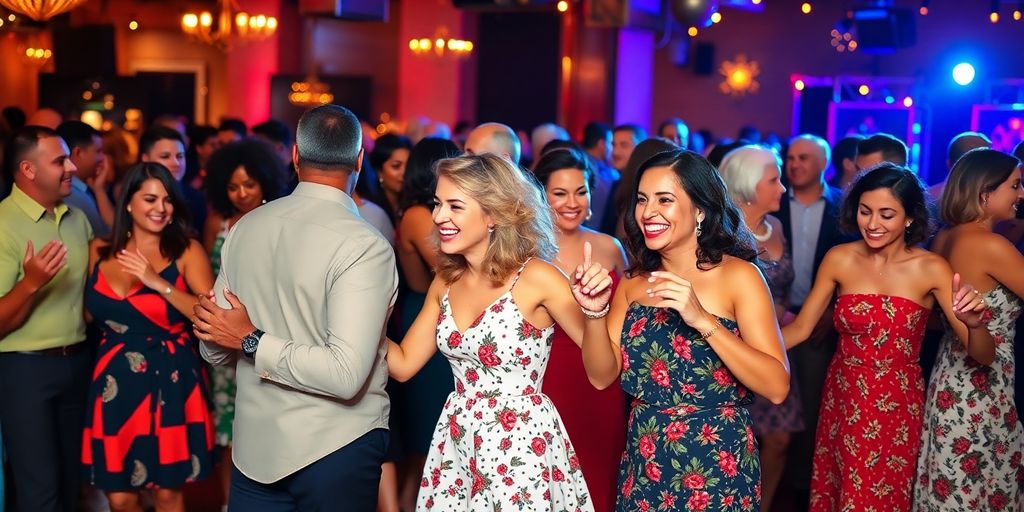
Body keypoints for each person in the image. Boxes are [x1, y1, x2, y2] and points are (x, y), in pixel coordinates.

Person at [193, 104, 398, 510]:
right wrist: (250, 339)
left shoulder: (246, 227)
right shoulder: (364, 245)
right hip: (334, 445)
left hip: (258, 446)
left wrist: (248, 339)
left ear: (295, 156)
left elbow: (214, 348)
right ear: (359, 160)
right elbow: (346, 376)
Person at [385, 153, 610, 511]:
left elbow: (603, 374)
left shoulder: (537, 277)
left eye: (455, 206)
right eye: (438, 203)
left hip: (520, 445)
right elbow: (403, 364)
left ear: (492, 215)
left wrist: (595, 312)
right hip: (458, 444)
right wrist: (356, 317)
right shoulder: (446, 281)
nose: (438, 216)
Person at [580, 149, 791, 510]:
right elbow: (601, 377)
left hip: (717, 463)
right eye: (642, 199)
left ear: (700, 210)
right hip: (646, 461)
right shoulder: (633, 283)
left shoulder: (739, 277)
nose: (648, 212)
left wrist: (702, 319)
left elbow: (776, 386)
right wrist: (594, 312)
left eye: (664, 200)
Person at [781, 163, 993, 511]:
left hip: (896, 403)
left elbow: (983, 355)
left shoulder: (932, 268)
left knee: (878, 497)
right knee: (840, 491)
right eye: (865, 211)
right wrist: (741, 349)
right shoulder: (839, 259)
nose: (872, 223)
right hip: (843, 396)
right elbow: (801, 329)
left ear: (909, 218)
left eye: (887, 214)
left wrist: (974, 325)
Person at [83, 162, 215, 512]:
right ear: (128, 202)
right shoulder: (98, 250)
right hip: (114, 383)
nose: (161, 208)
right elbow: (84, 314)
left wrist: (157, 282)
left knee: (168, 494)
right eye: (150, 199)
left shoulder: (187, 250)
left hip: (169, 377)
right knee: (120, 498)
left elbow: (209, 314)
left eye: (168, 200)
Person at [915, 148, 1024, 511]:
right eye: (1015, 185)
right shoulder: (989, 245)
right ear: (985, 193)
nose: (1021, 193)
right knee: (982, 489)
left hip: (949, 375)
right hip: (982, 386)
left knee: (956, 488)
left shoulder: (946, 237)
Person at [0, 126, 93, 512]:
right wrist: (31, 283)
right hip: (24, 369)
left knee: (73, 483)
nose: (72, 167)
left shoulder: (77, 219)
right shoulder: (3, 225)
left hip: (79, 360)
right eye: (60, 161)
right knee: (40, 489)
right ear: (28, 169)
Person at [531, 147, 628, 512]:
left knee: (600, 478)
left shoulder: (610, 247)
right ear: (542, 195)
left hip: (602, 381)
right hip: (547, 380)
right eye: (560, 193)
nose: (572, 203)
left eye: (581, 191)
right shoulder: (527, 252)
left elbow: (630, 314)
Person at [719, 145, 805, 511]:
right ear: (749, 185)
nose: (783, 188)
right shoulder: (723, 235)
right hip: (735, 350)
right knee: (736, 440)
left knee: (780, 440)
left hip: (779, 345)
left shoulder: (778, 228)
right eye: (774, 180)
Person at [200, 139, 284, 507]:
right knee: (228, 431)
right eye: (233, 187)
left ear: (265, 181)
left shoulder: (277, 221)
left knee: (265, 423)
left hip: (265, 332)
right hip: (223, 335)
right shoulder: (217, 223)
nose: (242, 194)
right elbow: (208, 278)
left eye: (249, 184)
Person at [391, 137, 461, 510]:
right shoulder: (420, 215)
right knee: (427, 435)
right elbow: (451, 267)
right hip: (428, 312)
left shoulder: (423, 211)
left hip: (440, 308)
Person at [368, 134, 413, 223]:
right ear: (379, 171)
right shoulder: (371, 210)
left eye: (408, 166)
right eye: (396, 166)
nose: (404, 172)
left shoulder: (412, 206)